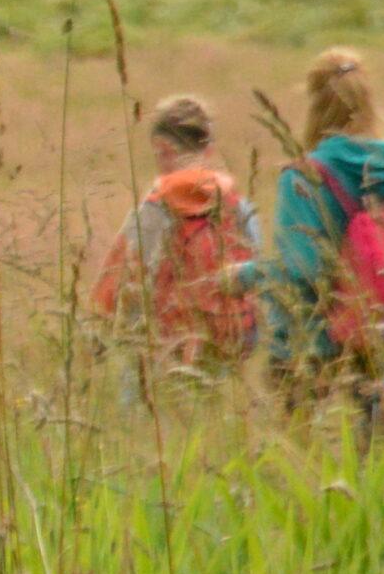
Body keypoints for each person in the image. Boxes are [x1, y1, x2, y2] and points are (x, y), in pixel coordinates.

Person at [223, 49, 384, 422]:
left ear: (314, 103)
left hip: (310, 349)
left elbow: (301, 271)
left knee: (299, 463)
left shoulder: (306, 176)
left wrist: (242, 276)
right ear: (368, 99)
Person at [88, 95, 261, 376]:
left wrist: (96, 335)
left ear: (163, 148)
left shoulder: (157, 206)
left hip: (166, 347)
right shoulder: (236, 204)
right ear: (209, 149)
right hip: (228, 341)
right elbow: (257, 266)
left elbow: (118, 276)